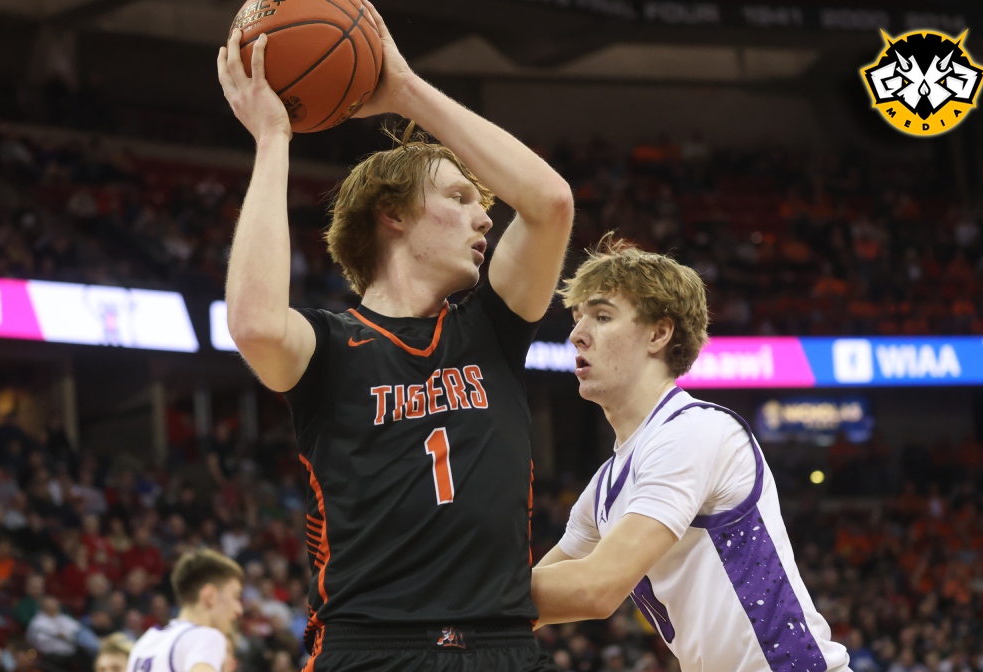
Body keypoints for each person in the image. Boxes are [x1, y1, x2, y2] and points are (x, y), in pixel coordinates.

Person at [217, 1, 574, 669]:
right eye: (460, 198)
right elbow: (255, 323)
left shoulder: (491, 329)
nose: (484, 220)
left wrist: (404, 90)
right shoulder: (328, 347)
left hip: (502, 645)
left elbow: (550, 203)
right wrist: (273, 140)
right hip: (371, 647)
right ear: (394, 216)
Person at [530, 238, 850, 672]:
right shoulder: (605, 485)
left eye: (602, 317)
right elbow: (533, 593)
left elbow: (595, 588)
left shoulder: (694, 430)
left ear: (659, 334)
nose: (576, 335)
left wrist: (445, 601)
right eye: (577, 318)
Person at [126, 550, 243, 672]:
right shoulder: (206, 636)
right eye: (236, 596)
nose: (239, 609)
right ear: (210, 595)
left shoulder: (144, 643)